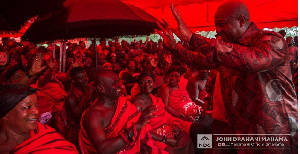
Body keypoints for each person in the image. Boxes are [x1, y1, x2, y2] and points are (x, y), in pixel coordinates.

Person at [156, 0, 297, 153]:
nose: (217, 30)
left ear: (241, 20)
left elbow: (252, 60)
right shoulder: (225, 49)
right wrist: (173, 47)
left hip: (271, 132)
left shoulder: (271, 40)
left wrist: (192, 37)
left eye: (222, 24)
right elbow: (201, 60)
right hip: (231, 125)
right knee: (208, 146)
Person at [79, 71, 159, 154]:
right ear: (101, 88)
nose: (121, 85)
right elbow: (104, 149)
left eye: (119, 81)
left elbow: (143, 131)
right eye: (115, 83)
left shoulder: (123, 104)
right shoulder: (93, 115)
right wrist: (138, 125)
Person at [0, 84, 78, 154]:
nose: (37, 111)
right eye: (27, 107)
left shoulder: (46, 137)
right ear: (5, 114)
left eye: (36, 105)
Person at [131, 72, 194, 153]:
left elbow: (165, 115)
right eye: (143, 82)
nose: (147, 84)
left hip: (167, 128)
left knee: (188, 136)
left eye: (149, 81)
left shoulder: (155, 99)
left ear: (153, 83)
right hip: (151, 136)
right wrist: (165, 139)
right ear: (139, 84)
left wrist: (175, 125)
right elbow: (140, 128)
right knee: (172, 151)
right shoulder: (135, 103)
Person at [65, 66, 94, 148]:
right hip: (77, 130)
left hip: (91, 125)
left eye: (85, 76)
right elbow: (79, 117)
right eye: (81, 78)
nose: (85, 79)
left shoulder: (91, 90)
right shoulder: (71, 97)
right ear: (73, 81)